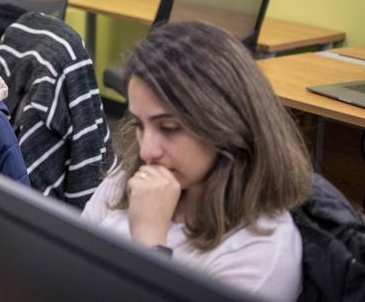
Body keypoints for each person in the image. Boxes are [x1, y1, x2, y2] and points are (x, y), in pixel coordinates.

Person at [81, 21, 312, 302]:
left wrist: (149, 244)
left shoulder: (261, 253)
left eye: (168, 128)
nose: (148, 150)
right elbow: (72, 269)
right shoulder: (136, 174)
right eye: (140, 125)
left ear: (226, 123)